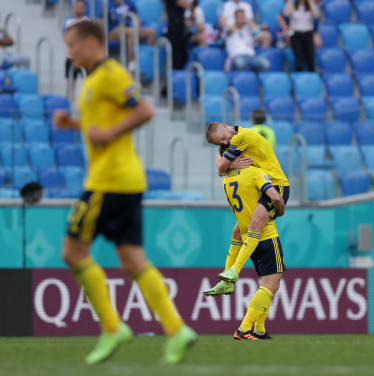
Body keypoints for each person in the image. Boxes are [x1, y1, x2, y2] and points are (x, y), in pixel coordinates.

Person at [54, 19, 196, 364]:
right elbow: (99, 127)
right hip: (125, 182)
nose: (69, 52)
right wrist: (74, 124)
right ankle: (177, 330)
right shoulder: (93, 81)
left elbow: (145, 110)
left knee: (73, 253)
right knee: (133, 261)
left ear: (91, 43)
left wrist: (110, 133)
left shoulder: (111, 73)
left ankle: (112, 327)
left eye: (72, 44)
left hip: (108, 182)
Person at [204, 122, 290, 294]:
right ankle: (226, 279)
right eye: (221, 143)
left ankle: (234, 270)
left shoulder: (241, 137)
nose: (224, 143)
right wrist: (232, 164)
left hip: (275, 184)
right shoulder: (234, 139)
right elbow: (220, 162)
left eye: (222, 139)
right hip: (262, 185)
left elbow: (221, 168)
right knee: (237, 231)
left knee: (255, 224)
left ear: (223, 126)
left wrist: (229, 164)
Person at [205, 161, 286, 341]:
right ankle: (244, 328)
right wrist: (281, 210)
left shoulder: (227, 180)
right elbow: (276, 198)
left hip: (247, 237)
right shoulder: (255, 173)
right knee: (270, 284)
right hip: (265, 235)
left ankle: (259, 329)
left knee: (270, 284)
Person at [107, 0, 157, 70]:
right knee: (132, 32)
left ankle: (148, 60)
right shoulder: (108, 4)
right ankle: (132, 64)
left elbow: (136, 18)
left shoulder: (128, 2)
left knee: (151, 32)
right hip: (113, 31)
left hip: (129, 29)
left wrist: (138, 27)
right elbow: (102, 22)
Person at [62, 1, 89, 100]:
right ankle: (69, 102)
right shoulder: (67, 22)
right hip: (71, 57)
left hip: (85, 58)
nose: (78, 8)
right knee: (70, 83)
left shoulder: (87, 22)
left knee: (88, 82)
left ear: (85, 9)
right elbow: (65, 37)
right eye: (77, 6)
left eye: (81, 6)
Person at [283, 0, 320, 71]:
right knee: (299, 60)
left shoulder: (310, 6)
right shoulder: (293, 6)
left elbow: (316, 15)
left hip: (308, 34)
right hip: (296, 35)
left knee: (311, 59)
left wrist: (310, 2)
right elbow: (286, 13)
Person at [164, 0, 189, 69]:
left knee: (184, 56)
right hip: (174, 27)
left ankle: (178, 75)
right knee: (176, 57)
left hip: (181, 26)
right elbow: (184, 3)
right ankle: (173, 76)